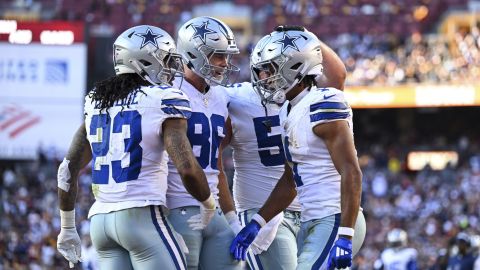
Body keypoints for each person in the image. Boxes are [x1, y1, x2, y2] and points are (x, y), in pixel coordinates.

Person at [56, 25, 214, 270]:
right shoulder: (163, 98)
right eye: (165, 60)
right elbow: (187, 168)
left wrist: (67, 227)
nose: (170, 69)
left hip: (101, 225)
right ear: (143, 61)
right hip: (142, 216)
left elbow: (67, 170)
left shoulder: (96, 99)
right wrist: (208, 203)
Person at [229, 26, 365, 270]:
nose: (262, 78)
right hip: (312, 219)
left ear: (295, 68)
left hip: (335, 217)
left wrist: (345, 235)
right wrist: (257, 223)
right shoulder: (288, 110)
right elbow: (291, 180)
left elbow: (351, 171)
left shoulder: (323, 104)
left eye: (269, 70)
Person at [165, 16, 243, 270]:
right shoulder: (167, 92)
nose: (224, 63)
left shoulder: (221, 96)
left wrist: (232, 217)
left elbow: (216, 163)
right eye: (217, 55)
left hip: (213, 209)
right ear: (192, 53)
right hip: (178, 206)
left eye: (226, 55)